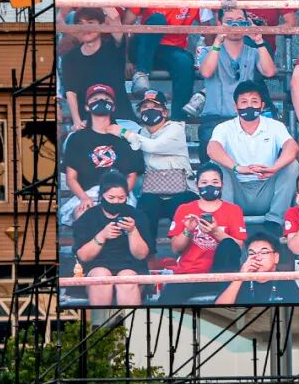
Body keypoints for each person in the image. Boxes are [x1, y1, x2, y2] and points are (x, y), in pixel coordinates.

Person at [129, 0, 213, 120]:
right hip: (143, 46)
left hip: (171, 51)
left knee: (184, 62)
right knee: (158, 19)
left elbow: (208, 31)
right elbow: (124, 26)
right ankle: (141, 73)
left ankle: (178, 123)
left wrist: (208, 59)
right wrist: (125, 60)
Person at [206, 81, 299, 235]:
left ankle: (276, 220)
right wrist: (238, 168)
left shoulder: (275, 126)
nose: (249, 106)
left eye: (254, 102)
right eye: (244, 102)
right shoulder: (224, 128)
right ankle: (228, 219)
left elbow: (292, 146)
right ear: (235, 107)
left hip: (267, 188)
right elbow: (212, 149)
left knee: (292, 166)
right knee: (216, 165)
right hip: (237, 189)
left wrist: (274, 168)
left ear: (262, 106)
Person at [196, 6, 277, 162]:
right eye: (229, 22)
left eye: (240, 22)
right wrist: (218, 40)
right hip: (215, 118)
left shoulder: (253, 52)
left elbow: (269, 72)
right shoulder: (208, 51)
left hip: (246, 118)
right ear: (219, 23)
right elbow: (206, 72)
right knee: (208, 151)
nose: (235, 26)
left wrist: (259, 40)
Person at [161, 163, 248, 304]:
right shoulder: (185, 209)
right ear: (197, 185)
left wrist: (216, 232)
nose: (210, 186)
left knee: (227, 244)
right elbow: (176, 248)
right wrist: (188, 230)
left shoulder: (233, 210)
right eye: (204, 182)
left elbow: (237, 247)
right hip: (189, 274)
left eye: (215, 182)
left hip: (221, 274)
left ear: (222, 184)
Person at [111, 90, 197, 231]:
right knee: (146, 204)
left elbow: (154, 146)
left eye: (155, 107)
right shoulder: (140, 133)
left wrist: (124, 132)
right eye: (145, 107)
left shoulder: (175, 129)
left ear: (164, 112)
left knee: (181, 207)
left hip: (183, 190)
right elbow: (111, 125)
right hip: (155, 191)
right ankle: (147, 252)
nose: (149, 110)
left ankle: (184, 251)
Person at [60, 84, 144, 224]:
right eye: (96, 98)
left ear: (113, 106)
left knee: (121, 219)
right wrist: (84, 198)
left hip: (119, 194)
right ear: (87, 106)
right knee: (83, 216)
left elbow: (132, 175)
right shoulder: (77, 139)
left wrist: (119, 196)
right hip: (87, 194)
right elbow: (71, 178)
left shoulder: (124, 138)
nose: (101, 101)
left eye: (106, 99)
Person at [71, 170, 155, 306]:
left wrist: (133, 231)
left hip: (131, 267)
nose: (116, 202)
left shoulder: (137, 215)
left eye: (121, 198)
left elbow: (142, 255)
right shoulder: (88, 217)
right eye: (111, 198)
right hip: (97, 267)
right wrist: (102, 235)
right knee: (101, 276)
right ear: (101, 195)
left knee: (126, 279)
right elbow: (83, 256)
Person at [60, 2, 134, 125]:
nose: (85, 28)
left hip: (121, 119)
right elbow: (70, 92)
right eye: (80, 24)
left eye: (90, 23)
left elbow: (114, 17)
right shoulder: (70, 57)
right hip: (88, 121)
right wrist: (77, 121)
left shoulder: (113, 47)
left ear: (102, 25)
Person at [215, 232, 299, 305]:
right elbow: (219, 312)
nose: (257, 257)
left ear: (276, 257)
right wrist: (240, 276)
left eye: (263, 252)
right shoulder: (236, 278)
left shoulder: (286, 281)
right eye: (252, 253)